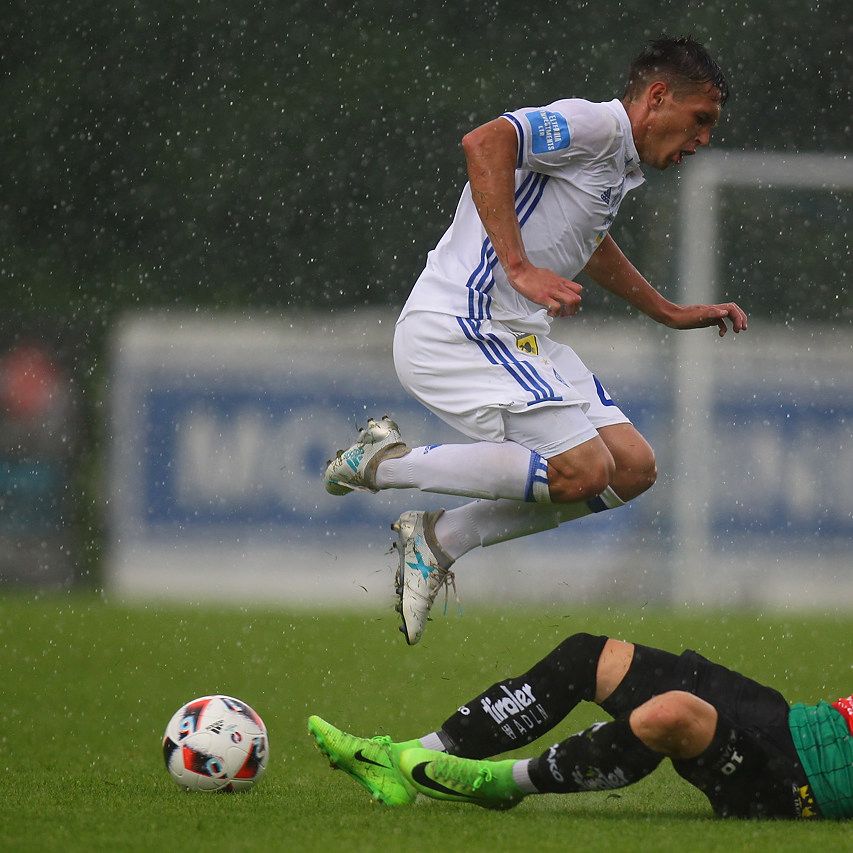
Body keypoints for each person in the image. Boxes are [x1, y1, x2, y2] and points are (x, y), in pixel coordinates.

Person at [324, 36, 748, 645]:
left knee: (630, 470)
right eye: (700, 120)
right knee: (581, 471)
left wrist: (666, 312)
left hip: (518, 335)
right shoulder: (595, 124)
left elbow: (588, 242)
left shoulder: (615, 162)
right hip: (461, 325)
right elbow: (485, 142)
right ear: (657, 97)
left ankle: (440, 540)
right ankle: (384, 466)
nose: (704, 139)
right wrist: (518, 266)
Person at [308, 632, 852, 819]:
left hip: (805, 785)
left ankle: (499, 784)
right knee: (587, 658)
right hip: (799, 722)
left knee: (670, 714)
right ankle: (402, 760)